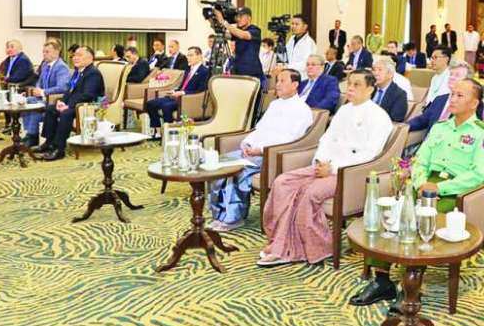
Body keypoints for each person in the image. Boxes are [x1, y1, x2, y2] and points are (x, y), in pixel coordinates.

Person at [349, 79, 484, 306]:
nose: (452, 99)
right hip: (424, 183)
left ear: (474, 103)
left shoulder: (479, 133)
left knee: (420, 220)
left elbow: (479, 174)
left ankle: (410, 287)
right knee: (388, 213)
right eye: (452, 94)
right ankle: (382, 281)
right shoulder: (440, 127)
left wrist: (439, 188)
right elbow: (420, 160)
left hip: (455, 191)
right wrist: (421, 183)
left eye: (460, 96)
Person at [259, 70, 393, 267]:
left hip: (348, 173)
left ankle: (310, 248)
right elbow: (326, 139)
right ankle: (281, 242)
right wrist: (321, 161)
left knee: (309, 192)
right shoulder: (344, 110)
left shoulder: (379, 117)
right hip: (324, 165)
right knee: (282, 182)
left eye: (357, 85)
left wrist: (333, 168)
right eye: (349, 84)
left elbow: (370, 155)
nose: (350, 88)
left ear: (370, 89)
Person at [207, 69, 313, 232]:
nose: (277, 85)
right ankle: (219, 215)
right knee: (217, 164)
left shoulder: (302, 110)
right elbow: (259, 129)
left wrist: (260, 150)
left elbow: (291, 141)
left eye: (282, 81)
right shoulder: (275, 104)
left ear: (295, 85)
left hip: (272, 156)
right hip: (253, 151)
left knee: (235, 170)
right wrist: (247, 143)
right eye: (277, 80)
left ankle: (233, 218)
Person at [36, 46, 105, 161]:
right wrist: (61, 102)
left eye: (79, 55)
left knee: (66, 113)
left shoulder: (93, 73)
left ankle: (59, 149)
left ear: (90, 58)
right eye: (74, 55)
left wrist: (68, 106)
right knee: (50, 109)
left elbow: (87, 95)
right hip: (76, 104)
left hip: (87, 106)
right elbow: (69, 90)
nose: (75, 58)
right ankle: (49, 143)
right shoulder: (78, 71)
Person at [146, 47, 210, 137]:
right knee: (150, 104)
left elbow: (201, 91)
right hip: (177, 96)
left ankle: (169, 134)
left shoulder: (205, 71)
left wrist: (183, 93)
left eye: (191, 55)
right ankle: (158, 132)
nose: (188, 58)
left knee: (166, 106)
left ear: (199, 56)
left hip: (187, 99)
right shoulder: (188, 70)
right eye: (188, 55)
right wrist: (174, 91)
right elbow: (182, 86)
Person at [21, 40, 71, 147]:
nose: (44, 54)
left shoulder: (61, 67)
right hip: (43, 97)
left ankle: (33, 136)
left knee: (35, 105)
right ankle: (29, 133)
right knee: (26, 101)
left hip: (54, 99)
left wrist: (43, 92)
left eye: (47, 52)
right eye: (43, 52)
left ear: (57, 52)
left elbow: (62, 87)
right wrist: (35, 91)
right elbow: (40, 82)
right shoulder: (44, 65)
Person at [408, 63, 475, 133]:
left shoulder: (470, 104)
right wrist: (403, 126)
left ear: (468, 81)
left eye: (457, 75)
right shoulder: (439, 99)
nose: (451, 77)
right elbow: (422, 120)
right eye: (451, 74)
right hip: (431, 138)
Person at [214, 7, 265, 89]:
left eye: (241, 16)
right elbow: (225, 35)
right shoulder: (238, 31)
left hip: (251, 73)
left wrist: (223, 22)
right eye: (237, 17)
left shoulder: (255, 30)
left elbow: (242, 35)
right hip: (238, 72)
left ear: (249, 18)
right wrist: (214, 21)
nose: (238, 19)